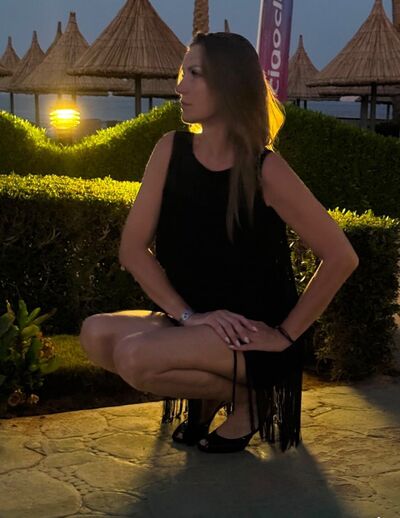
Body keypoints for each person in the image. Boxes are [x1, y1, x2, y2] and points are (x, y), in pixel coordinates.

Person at [79, 32, 359, 454]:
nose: (180, 86)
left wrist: (285, 335)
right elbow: (132, 250)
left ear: (229, 83)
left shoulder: (264, 169)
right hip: (198, 320)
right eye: (182, 73)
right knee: (95, 333)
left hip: (250, 333)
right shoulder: (170, 149)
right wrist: (189, 316)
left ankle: (253, 399)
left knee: (136, 358)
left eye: (195, 74)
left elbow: (341, 256)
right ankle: (226, 396)